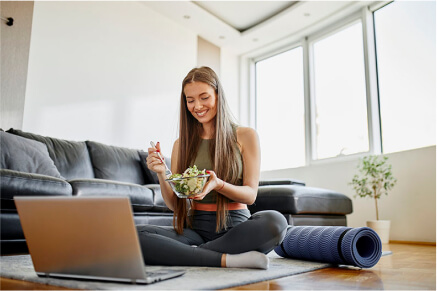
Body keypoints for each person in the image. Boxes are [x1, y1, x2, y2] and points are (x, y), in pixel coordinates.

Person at [138, 66, 287, 269]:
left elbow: (250, 195)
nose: (197, 106)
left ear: (218, 95)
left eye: (204, 97)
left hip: (236, 227)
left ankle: (189, 255)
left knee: (276, 222)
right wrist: (163, 174)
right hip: (195, 228)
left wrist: (218, 184)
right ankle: (226, 259)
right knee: (137, 235)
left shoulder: (245, 135)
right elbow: (176, 205)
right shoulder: (180, 144)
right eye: (190, 100)